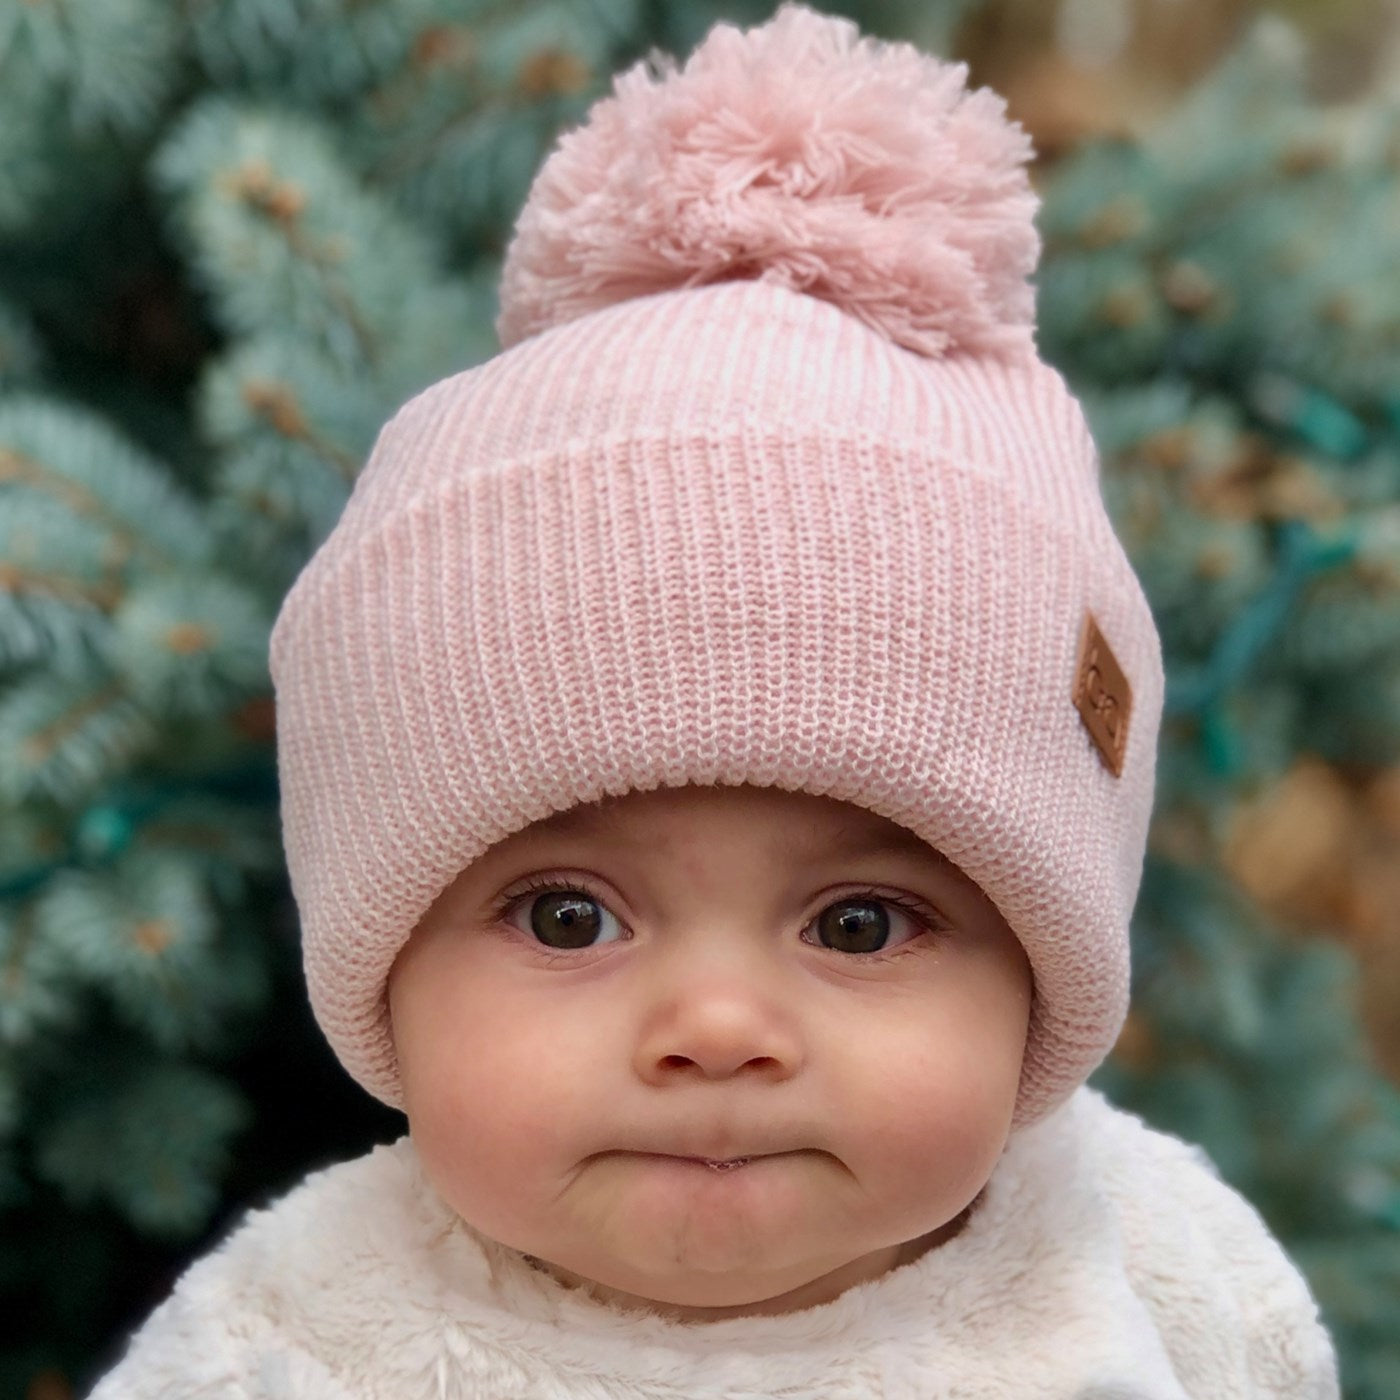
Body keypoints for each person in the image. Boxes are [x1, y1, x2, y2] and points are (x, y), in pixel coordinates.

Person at [87, 4, 1341, 1395]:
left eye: (860, 924)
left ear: (1042, 981)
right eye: (567, 917)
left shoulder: (1152, 1266)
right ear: (382, 973)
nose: (718, 1029)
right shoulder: (282, 1345)